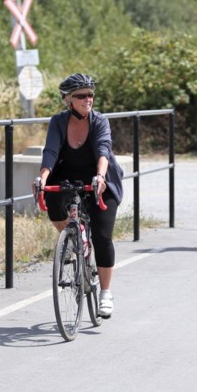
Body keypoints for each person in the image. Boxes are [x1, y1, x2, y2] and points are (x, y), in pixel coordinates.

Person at [38, 73, 124, 318]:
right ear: (68, 100)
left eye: (90, 95)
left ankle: (105, 293)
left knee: (101, 234)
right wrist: (42, 179)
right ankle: (72, 239)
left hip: (100, 176)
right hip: (66, 174)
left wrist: (99, 176)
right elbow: (51, 152)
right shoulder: (58, 122)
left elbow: (103, 150)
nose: (88, 99)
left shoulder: (99, 121)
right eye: (81, 96)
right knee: (53, 203)